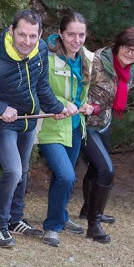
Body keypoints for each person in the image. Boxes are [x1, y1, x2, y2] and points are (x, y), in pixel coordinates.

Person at [0, 9, 68, 248]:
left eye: (32, 36)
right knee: (14, 171)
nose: (27, 42)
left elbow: (42, 85)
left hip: (28, 122)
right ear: (11, 31)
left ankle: (15, 220)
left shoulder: (41, 51)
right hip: (0, 124)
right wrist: (0, 108)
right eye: (22, 35)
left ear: (40, 36)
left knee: (24, 170)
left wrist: (57, 107)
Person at [81, 27, 134, 243]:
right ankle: (94, 225)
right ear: (118, 45)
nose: (130, 53)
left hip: (104, 124)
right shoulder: (96, 62)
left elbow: (121, 91)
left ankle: (88, 209)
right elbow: (78, 88)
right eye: (127, 47)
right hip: (85, 124)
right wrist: (88, 106)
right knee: (106, 170)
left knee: (95, 168)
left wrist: (105, 108)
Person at [36, 12, 95, 247]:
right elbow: (41, 89)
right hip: (51, 126)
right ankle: (52, 226)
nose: (76, 39)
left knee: (64, 179)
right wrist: (60, 103)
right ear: (61, 33)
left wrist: (85, 105)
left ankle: (60, 215)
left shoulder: (87, 59)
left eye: (81, 35)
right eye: (71, 34)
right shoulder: (48, 57)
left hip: (74, 127)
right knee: (66, 175)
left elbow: (81, 93)